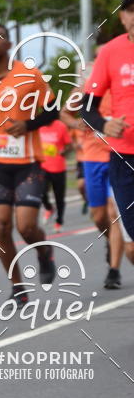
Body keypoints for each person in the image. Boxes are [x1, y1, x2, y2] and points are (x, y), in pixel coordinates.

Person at [0, 24, 57, 301]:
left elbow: (53, 111)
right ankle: (18, 286)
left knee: (26, 227)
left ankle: (44, 252)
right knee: (1, 225)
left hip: (29, 162)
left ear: (9, 45)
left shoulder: (29, 75)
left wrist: (28, 124)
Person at [61, 33, 124, 289]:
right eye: (98, 58)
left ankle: (114, 270)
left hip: (118, 156)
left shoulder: (122, 87)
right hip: (91, 158)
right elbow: (64, 113)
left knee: (113, 212)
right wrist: (77, 122)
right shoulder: (85, 90)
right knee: (99, 216)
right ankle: (111, 242)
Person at [82, 0, 134, 269]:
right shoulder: (111, 53)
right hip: (124, 158)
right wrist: (105, 124)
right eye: (131, 11)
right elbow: (86, 107)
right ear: (123, 17)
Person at [39, 117, 71, 232]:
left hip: (58, 167)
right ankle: (48, 208)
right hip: (43, 166)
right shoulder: (39, 125)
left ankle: (59, 221)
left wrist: (64, 151)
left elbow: (69, 145)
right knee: (41, 192)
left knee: (59, 197)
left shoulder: (61, 126)